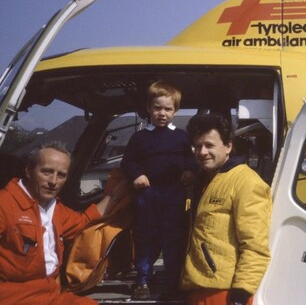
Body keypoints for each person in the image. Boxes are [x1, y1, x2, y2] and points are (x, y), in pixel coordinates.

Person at [0, 142, 126, 304]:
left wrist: (115, 195)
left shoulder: (55, 209)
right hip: (12, 297)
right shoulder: (4, 204)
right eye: (46, 172)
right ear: (29, 170)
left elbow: (85, 222)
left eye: (61, 175)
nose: (53, 181)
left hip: (51, 293)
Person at [181, 113, 271, 305]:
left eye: (209, 145)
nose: (202, 152)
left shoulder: (247, 182)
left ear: (228, 146)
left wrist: (241, 293)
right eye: (197, 146)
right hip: (196, 289)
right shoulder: (202, 180)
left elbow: (255, 246)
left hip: (225, 293)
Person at [120, 80, 197, 300]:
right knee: (146, 238)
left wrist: (190, 171)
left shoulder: (182, 137)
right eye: (158, 108)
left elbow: (190, 160)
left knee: (174, 239)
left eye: (168, 109)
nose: (162, 113)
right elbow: (128, 162)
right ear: (148, 108)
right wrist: (137, 174)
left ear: (176, 111)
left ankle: (173, 281)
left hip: (174, 194)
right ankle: (143, 279)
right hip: (148, 195)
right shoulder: (140, 137)